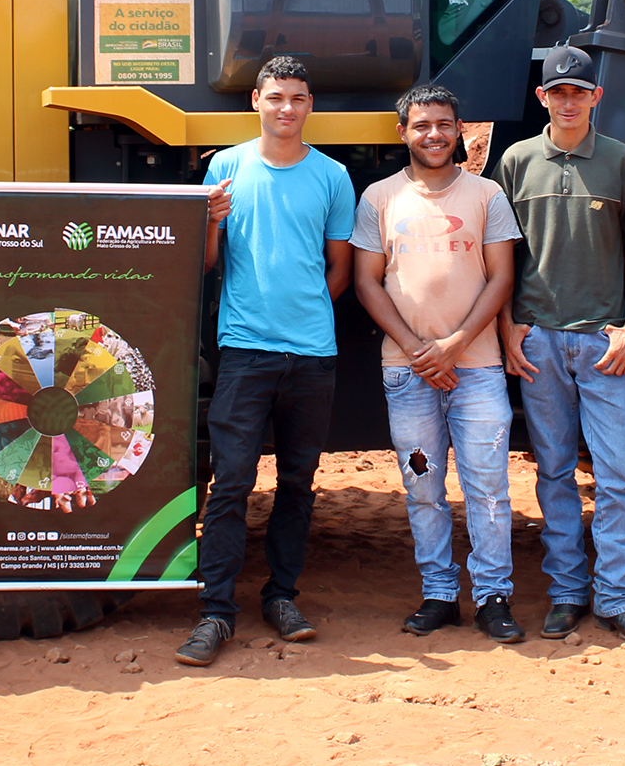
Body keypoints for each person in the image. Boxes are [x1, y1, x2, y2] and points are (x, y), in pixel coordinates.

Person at [175, 56, 355, 668]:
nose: (287, 108)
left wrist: (303, 313)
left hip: (312, 356)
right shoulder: (224, 167)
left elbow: (340, 269)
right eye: (276, 97)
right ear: (256, 100)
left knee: (298, 485)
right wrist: (206, 224)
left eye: (298, 98)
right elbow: (207, 264)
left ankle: (282, 597)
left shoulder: (332, 176)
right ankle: (215, 612)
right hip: (245, 353)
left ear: (310, 106)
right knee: (229, 484)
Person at [494, 47, 625, 644]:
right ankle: (568, 592)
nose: (568, 102)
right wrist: (508, 326)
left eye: (579, 92)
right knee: (554, 474)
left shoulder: (622, 162)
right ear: (542, 98)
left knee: (618, 477)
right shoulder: (515, 162)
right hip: (539, 343)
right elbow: (501, 255)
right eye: (557, 92)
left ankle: (618, 598)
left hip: (604, 344)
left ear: (597, 97)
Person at [352, 83, 524, 642]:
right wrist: (416, 349)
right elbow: (366, 281)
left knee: (488, 487)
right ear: (403, 132)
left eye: (444, 125)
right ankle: (439, 594)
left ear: (460, 132)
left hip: (475, 371)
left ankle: (494, 597)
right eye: (421, 125)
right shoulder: (379, 197)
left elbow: (502, 278)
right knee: (423, 484)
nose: (433, 135)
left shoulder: (486, 196)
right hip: (407, 376)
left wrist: (453, 345)